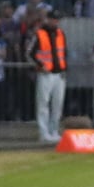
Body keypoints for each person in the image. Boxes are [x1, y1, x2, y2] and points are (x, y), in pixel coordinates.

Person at [28, 10, 68, 143]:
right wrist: (40, 65)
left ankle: (54, 130)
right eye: (53, 19)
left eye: (57, 20)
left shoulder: (60, 34)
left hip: (59, 74)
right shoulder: (39, 34)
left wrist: (64, 67)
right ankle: (44, 132)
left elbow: (63, 53)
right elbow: (29, 53)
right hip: (46, 74)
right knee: (43, 103)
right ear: (48, 19)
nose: (55, 22)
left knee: (57, 104)